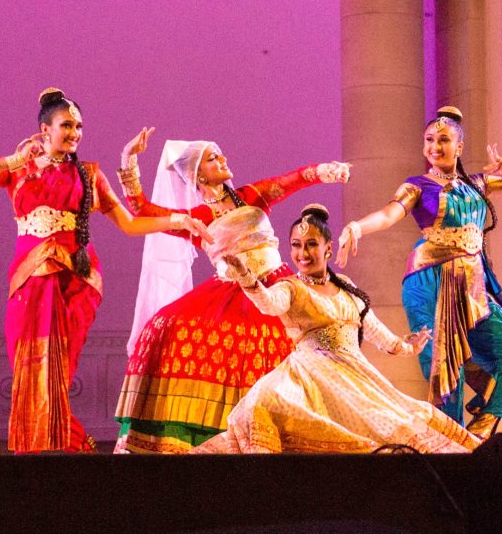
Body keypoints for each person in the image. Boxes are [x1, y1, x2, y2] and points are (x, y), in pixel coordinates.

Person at [0, 88, 211, 454]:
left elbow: (129, 224)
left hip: (76, 282)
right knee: (29, 370)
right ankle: (58, 448)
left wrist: (180, 220)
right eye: (67, 125)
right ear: (45, 130)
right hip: (29, 278)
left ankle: (59, 451)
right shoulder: (20, 171)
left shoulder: (89, 175)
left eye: (79, 126)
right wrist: (13, 159)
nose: (75, 133)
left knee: (58, 373)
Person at [113, 129, 351, 453]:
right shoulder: (194, 218)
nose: (223, 160)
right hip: (228, 293)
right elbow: (142, 209)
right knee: (163, 326)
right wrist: (129, 160)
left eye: (221, 154)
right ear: (197, 174)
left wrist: (323, 172)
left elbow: (291, 180)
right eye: (213, 158)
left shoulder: (251, 195)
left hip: (276, 286)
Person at [191, 204, 480, 454]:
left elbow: (375, 329)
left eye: (311, 244)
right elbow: (269, 304)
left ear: (328, 248)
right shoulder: (291, 287)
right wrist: (246, 278)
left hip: (354, 375)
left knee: (397, 423)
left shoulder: (345, 286)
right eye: (296, 245)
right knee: (264, 403)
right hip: (310, 374)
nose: (302, 252)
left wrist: (408, 347)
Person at [336, 106, 502, 440]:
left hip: (472, 285)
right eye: (429, 140)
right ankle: (449, 447)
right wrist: (357, 227)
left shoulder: (477, 184)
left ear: (459, 147)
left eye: (443, 140)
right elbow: (389, 215)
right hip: (428, 280)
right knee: (444, 370)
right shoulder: (417, 186)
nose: (435, 146)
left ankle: (480, 429)